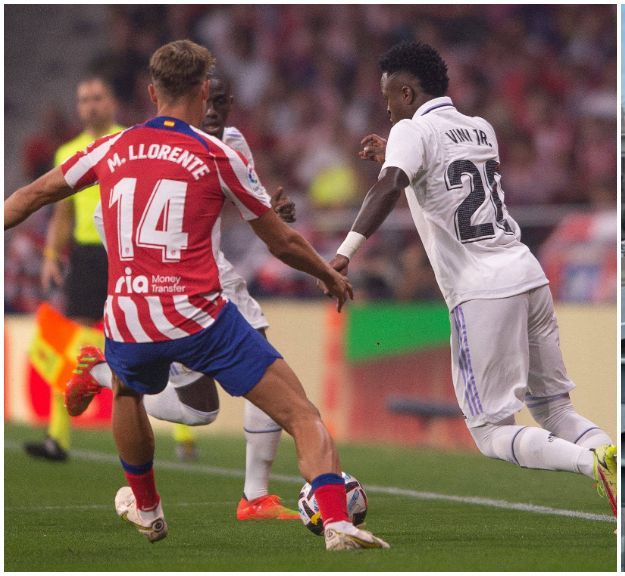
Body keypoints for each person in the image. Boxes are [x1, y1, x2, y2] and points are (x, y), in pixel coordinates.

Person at [5, 40, 388, 551]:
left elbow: (32, 196)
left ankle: (147, 509)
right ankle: (337, 522)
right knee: (301, 414)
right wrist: (328, 274)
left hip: (130, 317)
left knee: (128, 393)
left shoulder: (110, 147)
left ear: (150, 91)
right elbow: (281, 241)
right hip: (200, 316)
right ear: (204, 90)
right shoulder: (216, 152)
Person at [331, 41, 617, 516]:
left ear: (406, 92)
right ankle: (609, 457)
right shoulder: (480, 128)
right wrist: (394, 153)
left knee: (488, 431)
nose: (385, 107)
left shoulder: (410, 129)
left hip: (481, 289)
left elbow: (389, 186)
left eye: (387, 97)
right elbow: (442, 174)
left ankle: (594, 465)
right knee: (556, 409)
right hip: (528, 273)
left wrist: (344, 253)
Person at [65, 74, 301, 521]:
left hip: (205, 267)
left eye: (220, 103)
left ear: (230, 105)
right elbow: (104, 215)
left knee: (199, 410)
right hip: (174, 280)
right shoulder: (152, 142)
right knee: (263, 361)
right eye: (205, 101)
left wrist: (276, 212)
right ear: (192, 98)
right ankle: (254, 497)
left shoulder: (231, 143)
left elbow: (251, 200)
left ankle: (101, 373)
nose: (211, 111)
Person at [24, 76, 124, 462]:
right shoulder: (68, 149)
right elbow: (62, 211)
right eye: (84, 100)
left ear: (112, 101)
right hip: (85, 256)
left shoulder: (129, 141)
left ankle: (182, 436)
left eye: (97, 98)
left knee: (141, 339)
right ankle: (58, 438)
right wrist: (50, 256)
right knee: (73, 344)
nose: (90, 106)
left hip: (124, 251)